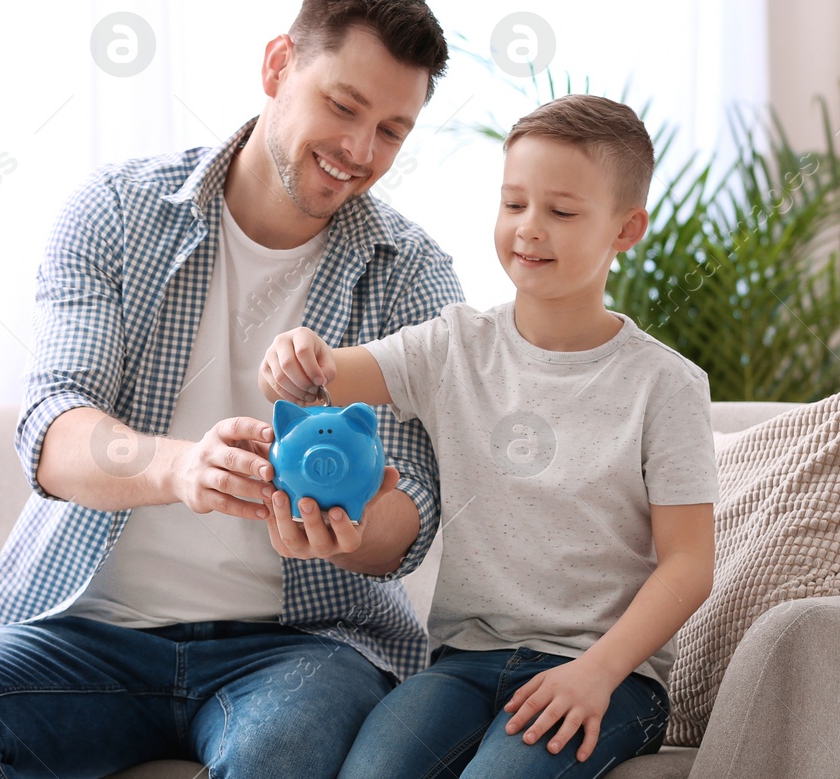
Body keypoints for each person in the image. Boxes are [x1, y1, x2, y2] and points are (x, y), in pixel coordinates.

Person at [0, 0, 467, 779]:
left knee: (280, 754)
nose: (360, 152)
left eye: (392, 130)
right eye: (344, 106)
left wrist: (357, 534)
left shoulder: (412, 276)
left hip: (299, 648)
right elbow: (51, 425)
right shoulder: (115, 213)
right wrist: (180, 467)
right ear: (278, 67)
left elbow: (414, 515)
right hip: (90, 633)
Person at [261, 93, 719, 778]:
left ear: (627, 229)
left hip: (609, 676)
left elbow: (690, 563)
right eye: (514, 204)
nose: (529, 228)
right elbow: (323, 375)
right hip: (464, 663)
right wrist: (295, 354)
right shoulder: (454, 345)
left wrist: (597, 672)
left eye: (561, 211)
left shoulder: (667, 385)